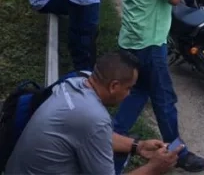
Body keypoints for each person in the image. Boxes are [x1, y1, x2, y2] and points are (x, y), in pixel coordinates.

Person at [113, 0, 204, 173]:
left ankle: (112, 138)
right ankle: (179, 152)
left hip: (132, 39)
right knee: (164, 98)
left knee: (140, 91)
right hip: (149, 42)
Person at [4, 51, 180, 175]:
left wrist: (138, 146)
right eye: (129, 89)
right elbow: (95, 129)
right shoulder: (93, 117)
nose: (128, 95)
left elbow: (96, 136)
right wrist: (154, 168)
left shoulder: (77, 80)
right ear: (114, 86)